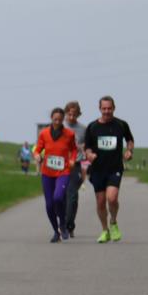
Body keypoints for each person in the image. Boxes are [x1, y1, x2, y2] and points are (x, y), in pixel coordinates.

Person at [84, 95, 134, 243]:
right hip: (98, 169)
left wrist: (129, 151)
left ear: (114, 108)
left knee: (112, 198)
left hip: (114, 168)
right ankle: (105, 230)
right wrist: (89, 154)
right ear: (99, 109)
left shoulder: (121, 125)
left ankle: (113, 222)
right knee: (100, 202)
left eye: (109, 108)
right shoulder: (92, 127)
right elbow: (86, 147)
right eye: (104, 108)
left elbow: (130, 140)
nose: (107, 111)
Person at [33, 108, 78, 242]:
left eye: (60, 119)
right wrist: (36, 156)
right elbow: (38, 149)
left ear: (63, 119)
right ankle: (55, 231)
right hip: (47, 172)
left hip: (63, 172)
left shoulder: (69, 134)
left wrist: (72, 159)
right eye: (55, 119)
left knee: (58, 197)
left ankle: (62, 225)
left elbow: (74, 149)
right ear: (51, 119)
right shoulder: (44, 133)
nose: (57, 122)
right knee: (49, 205)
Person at [61, 101, 87, 237]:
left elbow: (88, 148)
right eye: (69, 114)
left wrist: (85, 169)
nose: (71, 117)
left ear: (78, 115)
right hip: (59, 165)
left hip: (75, 165)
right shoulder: (58, 126)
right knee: (60, 196)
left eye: (74, 115)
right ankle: (63, 224)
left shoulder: (83, 129)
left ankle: (68, 225)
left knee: (72, 196)